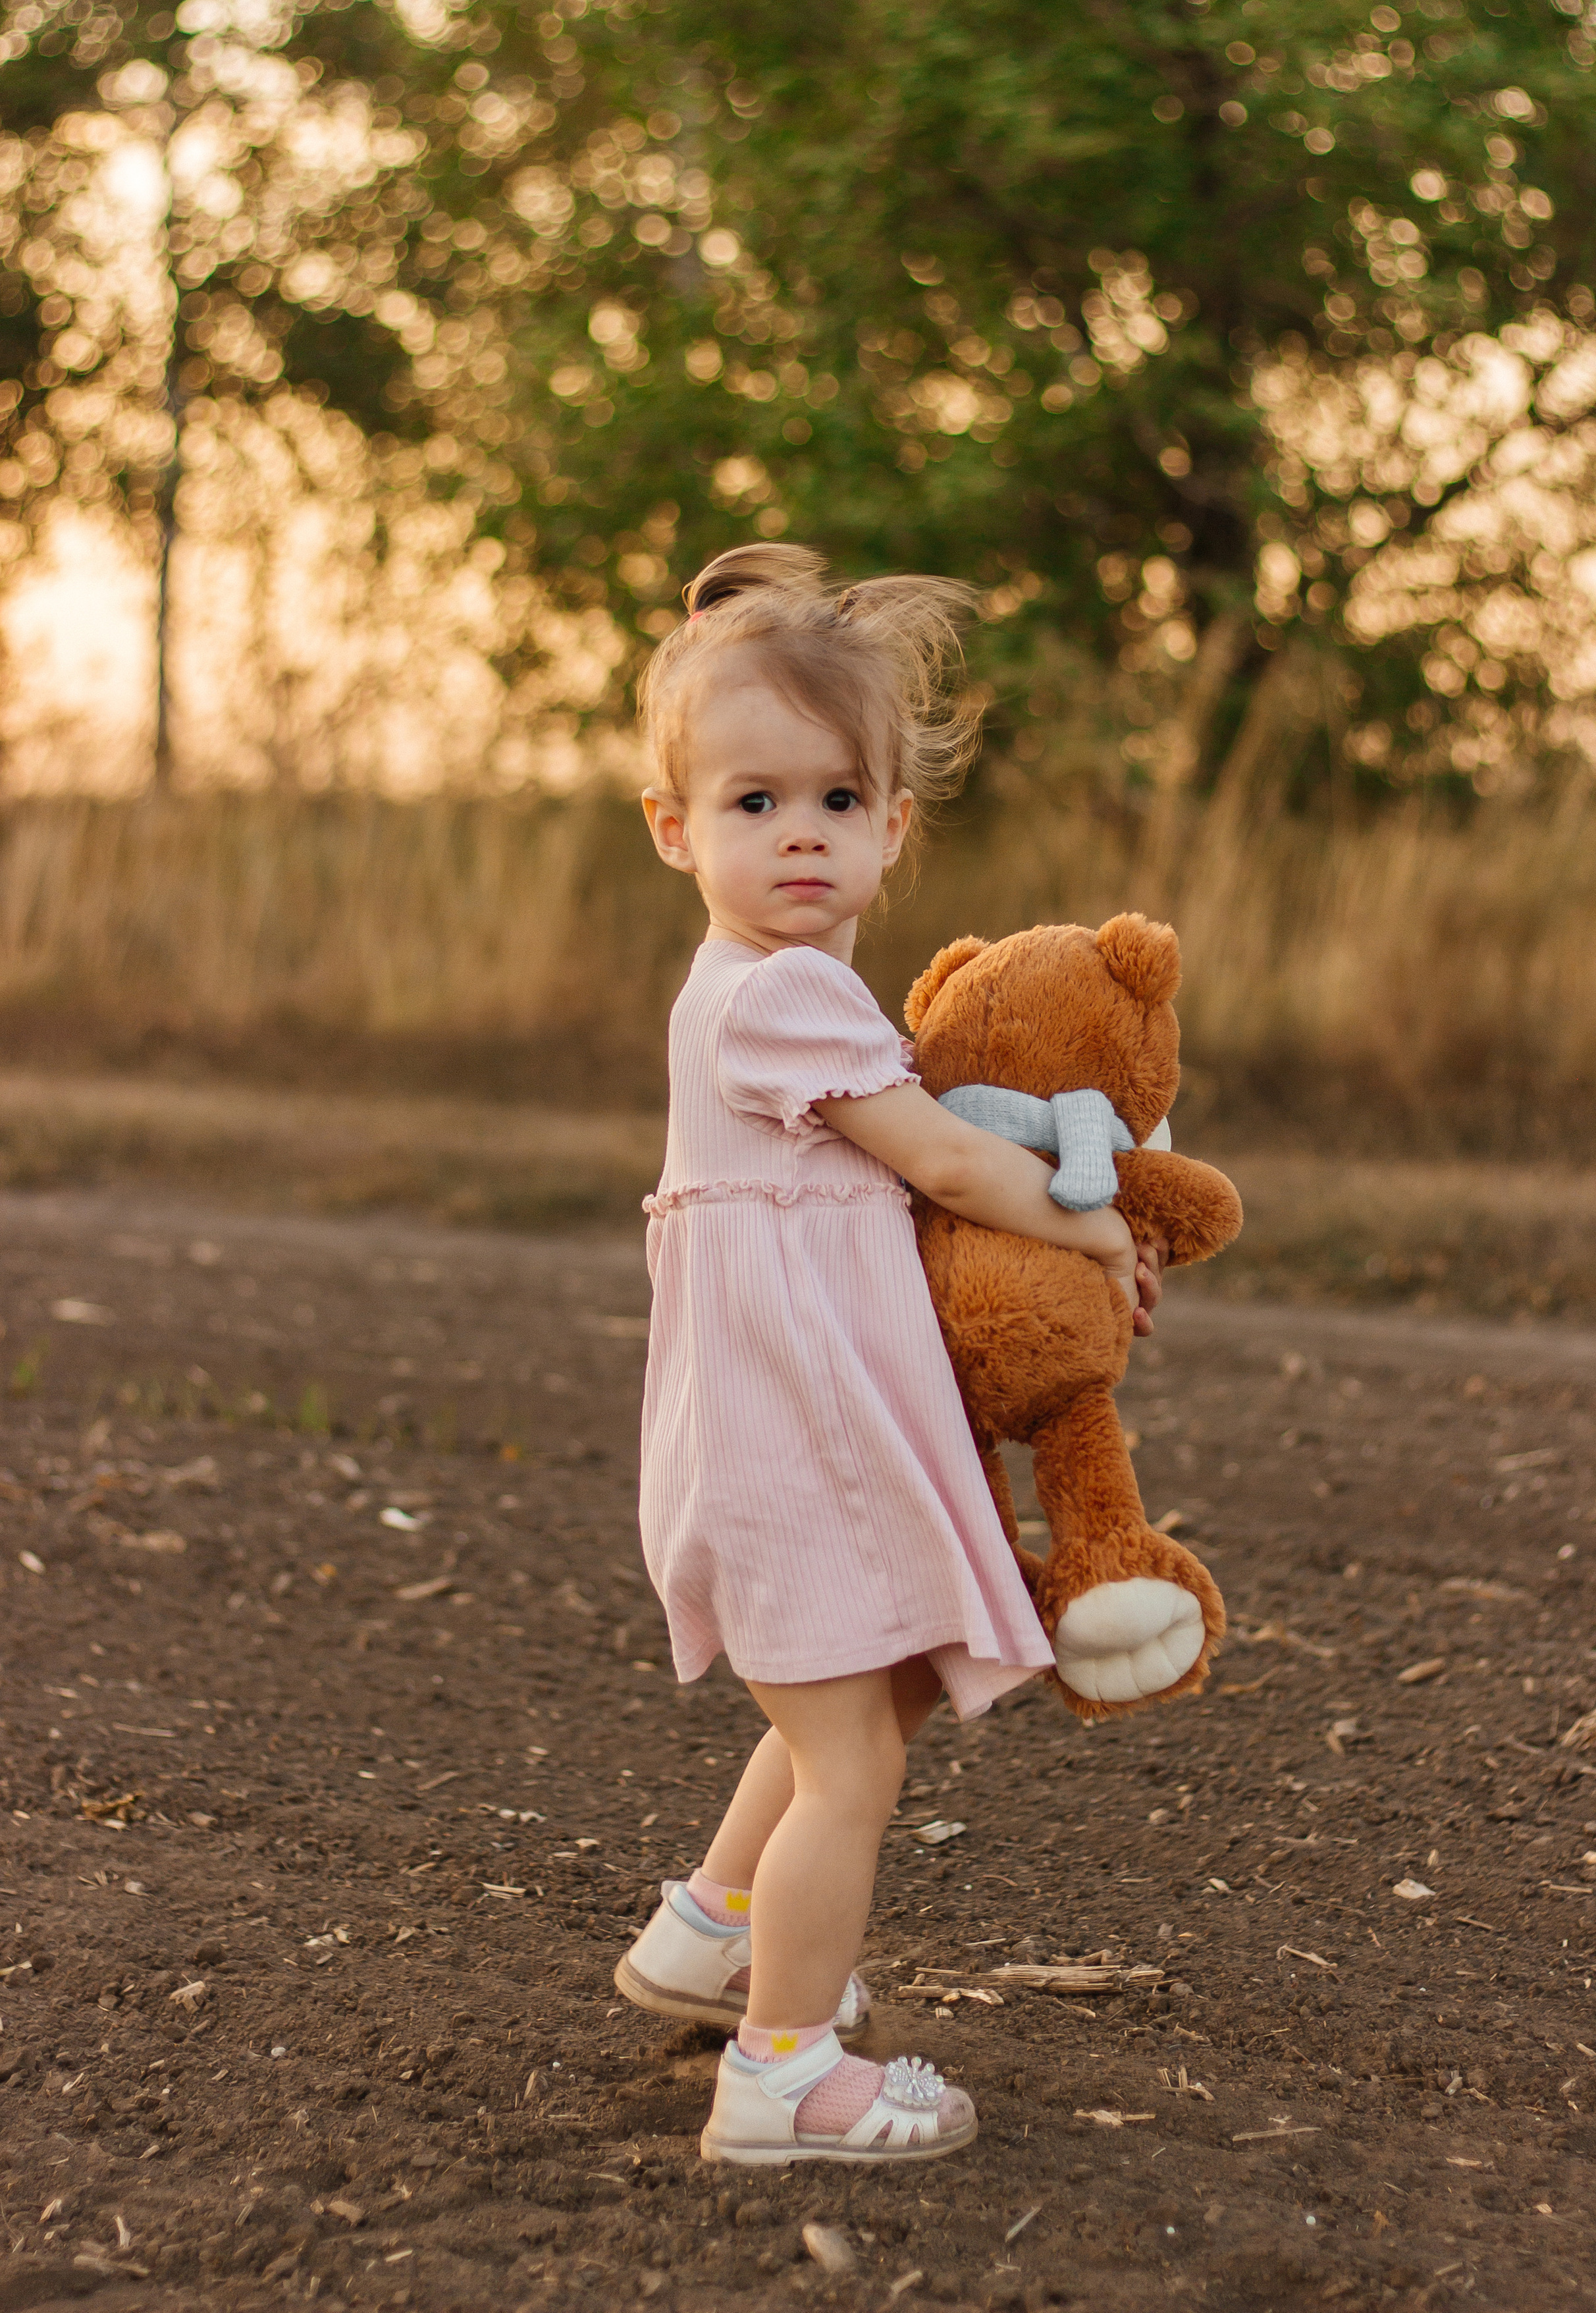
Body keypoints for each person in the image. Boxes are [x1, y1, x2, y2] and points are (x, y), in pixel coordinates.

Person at [615, 543, 1163, 2165]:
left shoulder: (814, 992)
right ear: (674, 830)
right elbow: (945, 1166)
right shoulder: (771, 1002)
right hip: (792, 1440)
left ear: (892, 831)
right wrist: (1094, 1224)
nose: (800, 832)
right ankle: (781, 2076)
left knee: (876, 1699)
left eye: (839, 801)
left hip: (805, 1422)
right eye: (752, 801)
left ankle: (714, 1937)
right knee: (847, 1758)